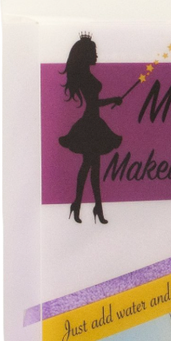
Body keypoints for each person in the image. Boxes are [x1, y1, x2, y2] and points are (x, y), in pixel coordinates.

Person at [59, 33, 123, 224]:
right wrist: (112, 100)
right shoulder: (85, 77)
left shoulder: (86, 75)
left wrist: (112, 100)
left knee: (92, 168)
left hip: (93, 122)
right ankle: (89, 206)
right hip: (91, 125)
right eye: (94, 52)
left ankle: (85, 206)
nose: (96, 55)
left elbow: (94, 102)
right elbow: (93, 103)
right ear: (86, 54)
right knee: (90, 167)